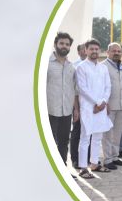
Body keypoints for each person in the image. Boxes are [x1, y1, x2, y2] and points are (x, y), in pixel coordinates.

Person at [76, 39, 112, 179]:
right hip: (88, 107)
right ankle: (83, 168)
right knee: (85, 138)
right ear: (86, 50)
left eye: (97, 49)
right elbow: (82, 88)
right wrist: (97, 102)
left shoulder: (103, 68)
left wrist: (103, 102)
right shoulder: (81, 67)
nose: (95, 51)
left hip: (101, 107)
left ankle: (94, 163)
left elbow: (108, 87)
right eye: (92, 49)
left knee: (97, 137)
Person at [44, 32, 77, 165]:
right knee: (49, 143)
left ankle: (63, 169)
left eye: (67, 44)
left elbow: (74, 89)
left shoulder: (71, 66)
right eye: (62, 43)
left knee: (64, 142)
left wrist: (76, 110)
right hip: (49, 110)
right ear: (55, 44)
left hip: (66, 111)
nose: (64, 46)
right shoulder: (45, 64)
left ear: (70, 47)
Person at [101, 43, 122, 168]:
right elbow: (100, 87)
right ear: (108, 52)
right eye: (114, 51)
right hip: (108, 106)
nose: (117, 53)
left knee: (117, 133)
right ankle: (107, 160)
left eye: (119, 51)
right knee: (107, 133)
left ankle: (115, 156)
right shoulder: (102, 66)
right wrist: (104, 103)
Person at [68, 41, 88, 166]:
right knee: (77, 131)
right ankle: (75, 159)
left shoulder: (95, 65)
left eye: (87, 48)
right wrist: (76, 107)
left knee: (88, 132)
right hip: (77, 103)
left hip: (91, 104)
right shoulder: (74, 65)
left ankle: (86, 158)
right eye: (83, 49)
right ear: (79, 51)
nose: (86, 51)